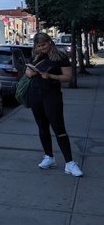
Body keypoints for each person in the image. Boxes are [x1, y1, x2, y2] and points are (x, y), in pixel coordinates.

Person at [25, 32, 83, 177]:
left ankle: (69, 163)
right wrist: (30, 73)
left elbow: (68, 77)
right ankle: (49, 156)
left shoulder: (60, 56)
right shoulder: (36, 55)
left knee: (58, 127)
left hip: (52, 95)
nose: (41, 48)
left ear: (50, 42)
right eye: (38, 45)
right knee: (42, 127)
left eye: (43, 44)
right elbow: (27, 72)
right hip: (35, 93)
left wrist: (50, 76)